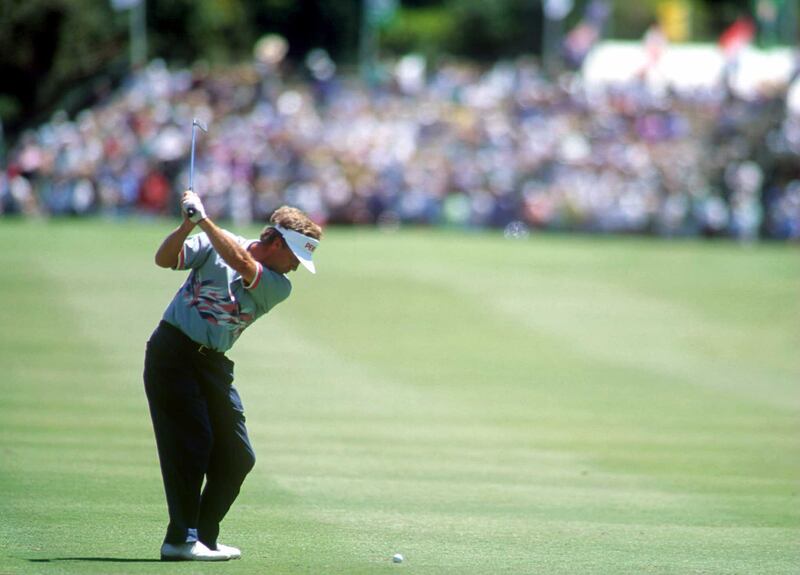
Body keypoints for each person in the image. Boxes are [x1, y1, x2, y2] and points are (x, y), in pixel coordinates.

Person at [144, 190, 322, 561]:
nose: (294, 268)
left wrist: (205, 222)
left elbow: (242, 264)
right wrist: (187, 225)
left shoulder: (278, 285)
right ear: (275, 241)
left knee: (238, 456)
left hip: (212, 364)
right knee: (193, 443)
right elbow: (165, 260)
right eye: (294, 256)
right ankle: (180, 539)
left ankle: (204, 538)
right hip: (173, 353)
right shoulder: (213, 242)